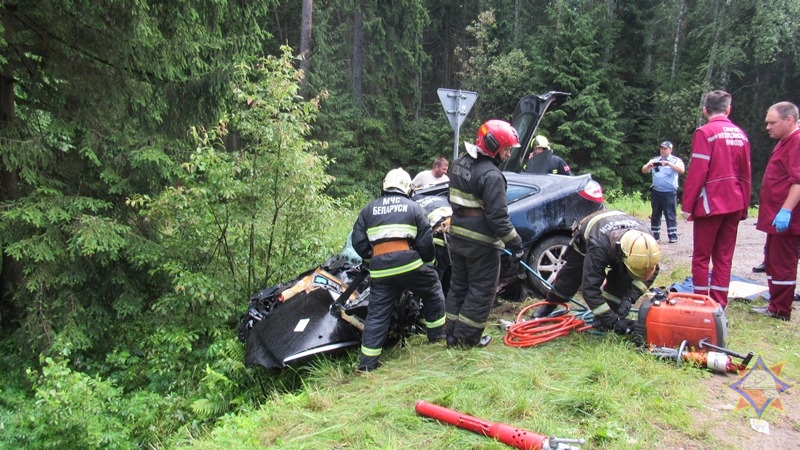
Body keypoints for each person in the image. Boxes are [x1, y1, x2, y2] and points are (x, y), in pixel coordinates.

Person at [351, 168, 446, 372]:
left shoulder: (368, 210)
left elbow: (358, 241)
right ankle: (437, 336)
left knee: (377, 315)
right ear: (406, 187)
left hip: (381, 272)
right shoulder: (413, 208)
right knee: (432, 290)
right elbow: (425, 241)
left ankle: (366, 365)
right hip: (409, 266)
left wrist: (373, 256)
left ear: (385, 186)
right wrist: (428, 262)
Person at [445, 120, 525, 348]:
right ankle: (466, 340)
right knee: (481, 291)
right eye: (506, 148)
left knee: (459, 286)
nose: (508, 154)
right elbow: (498, 218)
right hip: (481, 243)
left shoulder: (459, 164)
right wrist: (516, 244)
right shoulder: (492, 176)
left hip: (458, 236)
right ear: (492, 146)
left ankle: (450, 334)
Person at [530, 210, 661, 334]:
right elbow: (590, 290)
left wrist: (628, 299)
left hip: (620, 239)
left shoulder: (645, 245)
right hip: (591, 237)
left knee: (621, 282)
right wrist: (614, 322)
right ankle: (547, 307)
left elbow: (651, 272)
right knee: (569, 280)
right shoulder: (598, 245)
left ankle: (604, 319)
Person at [681, 90, 751, 309]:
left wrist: (687, 204)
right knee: (724, 257)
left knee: (701, 257)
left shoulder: (705, 132)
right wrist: (745, 205)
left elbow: (698, 171)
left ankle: (702, 303)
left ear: (705, 110)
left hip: (711, 203)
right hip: (735, 201)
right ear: (728, 109)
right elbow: (746, 173)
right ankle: (719, 305)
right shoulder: (740, 134)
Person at [750, 101, 800, 321]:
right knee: (771, 260)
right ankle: (775, 304)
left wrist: (786, 211)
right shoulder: (784, 140)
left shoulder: (797, 142)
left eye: (772, 122)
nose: (767, 127)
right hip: (774, 217)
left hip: (787, 219)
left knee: (782, 263)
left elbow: (798, 181)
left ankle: (781, 310)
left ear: (789, 120)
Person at [641, 141, 685, 243]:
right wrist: (649, 166)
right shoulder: (655, 160)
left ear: (670, 149)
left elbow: (681, 170)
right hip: (656, 191)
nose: (663, 150)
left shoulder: (675, 160)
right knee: (655, 214)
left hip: (669, 192)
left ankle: (672, 236)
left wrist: (669, 164)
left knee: (670, 214)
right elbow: (643, 170)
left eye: (665, 149)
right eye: (661, 148)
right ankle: (655, 236)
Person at [412, 192, 452, 289]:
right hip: (455, 237)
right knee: (451, 284)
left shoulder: (414, 206)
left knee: (435, 285)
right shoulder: (441, 199)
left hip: (438, 241)